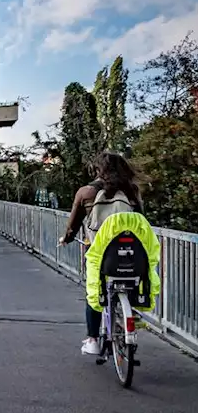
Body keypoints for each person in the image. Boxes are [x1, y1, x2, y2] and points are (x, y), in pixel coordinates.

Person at [59, 151, 143, 355]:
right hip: (130, 249)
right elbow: (141, 220)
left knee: (94, 292)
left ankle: (93, 340)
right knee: (131, 280)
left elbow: (74, 224)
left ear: (98, 170)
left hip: (99, 251)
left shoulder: (86, 192)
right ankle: (131, 313)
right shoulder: (132, 191)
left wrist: (66, 239)